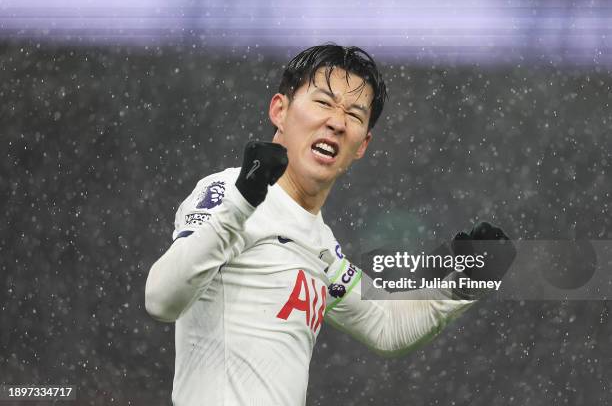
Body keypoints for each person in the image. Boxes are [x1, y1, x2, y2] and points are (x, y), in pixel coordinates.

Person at [145, 44, 513, 406]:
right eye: (322, 102)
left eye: (354, 114)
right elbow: (161, 299)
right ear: (279, 110)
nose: (337, 122)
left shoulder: (319, 242)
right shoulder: (227, 190)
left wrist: (466, 283)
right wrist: (242, 201)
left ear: (362, 145)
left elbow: (385, 325)